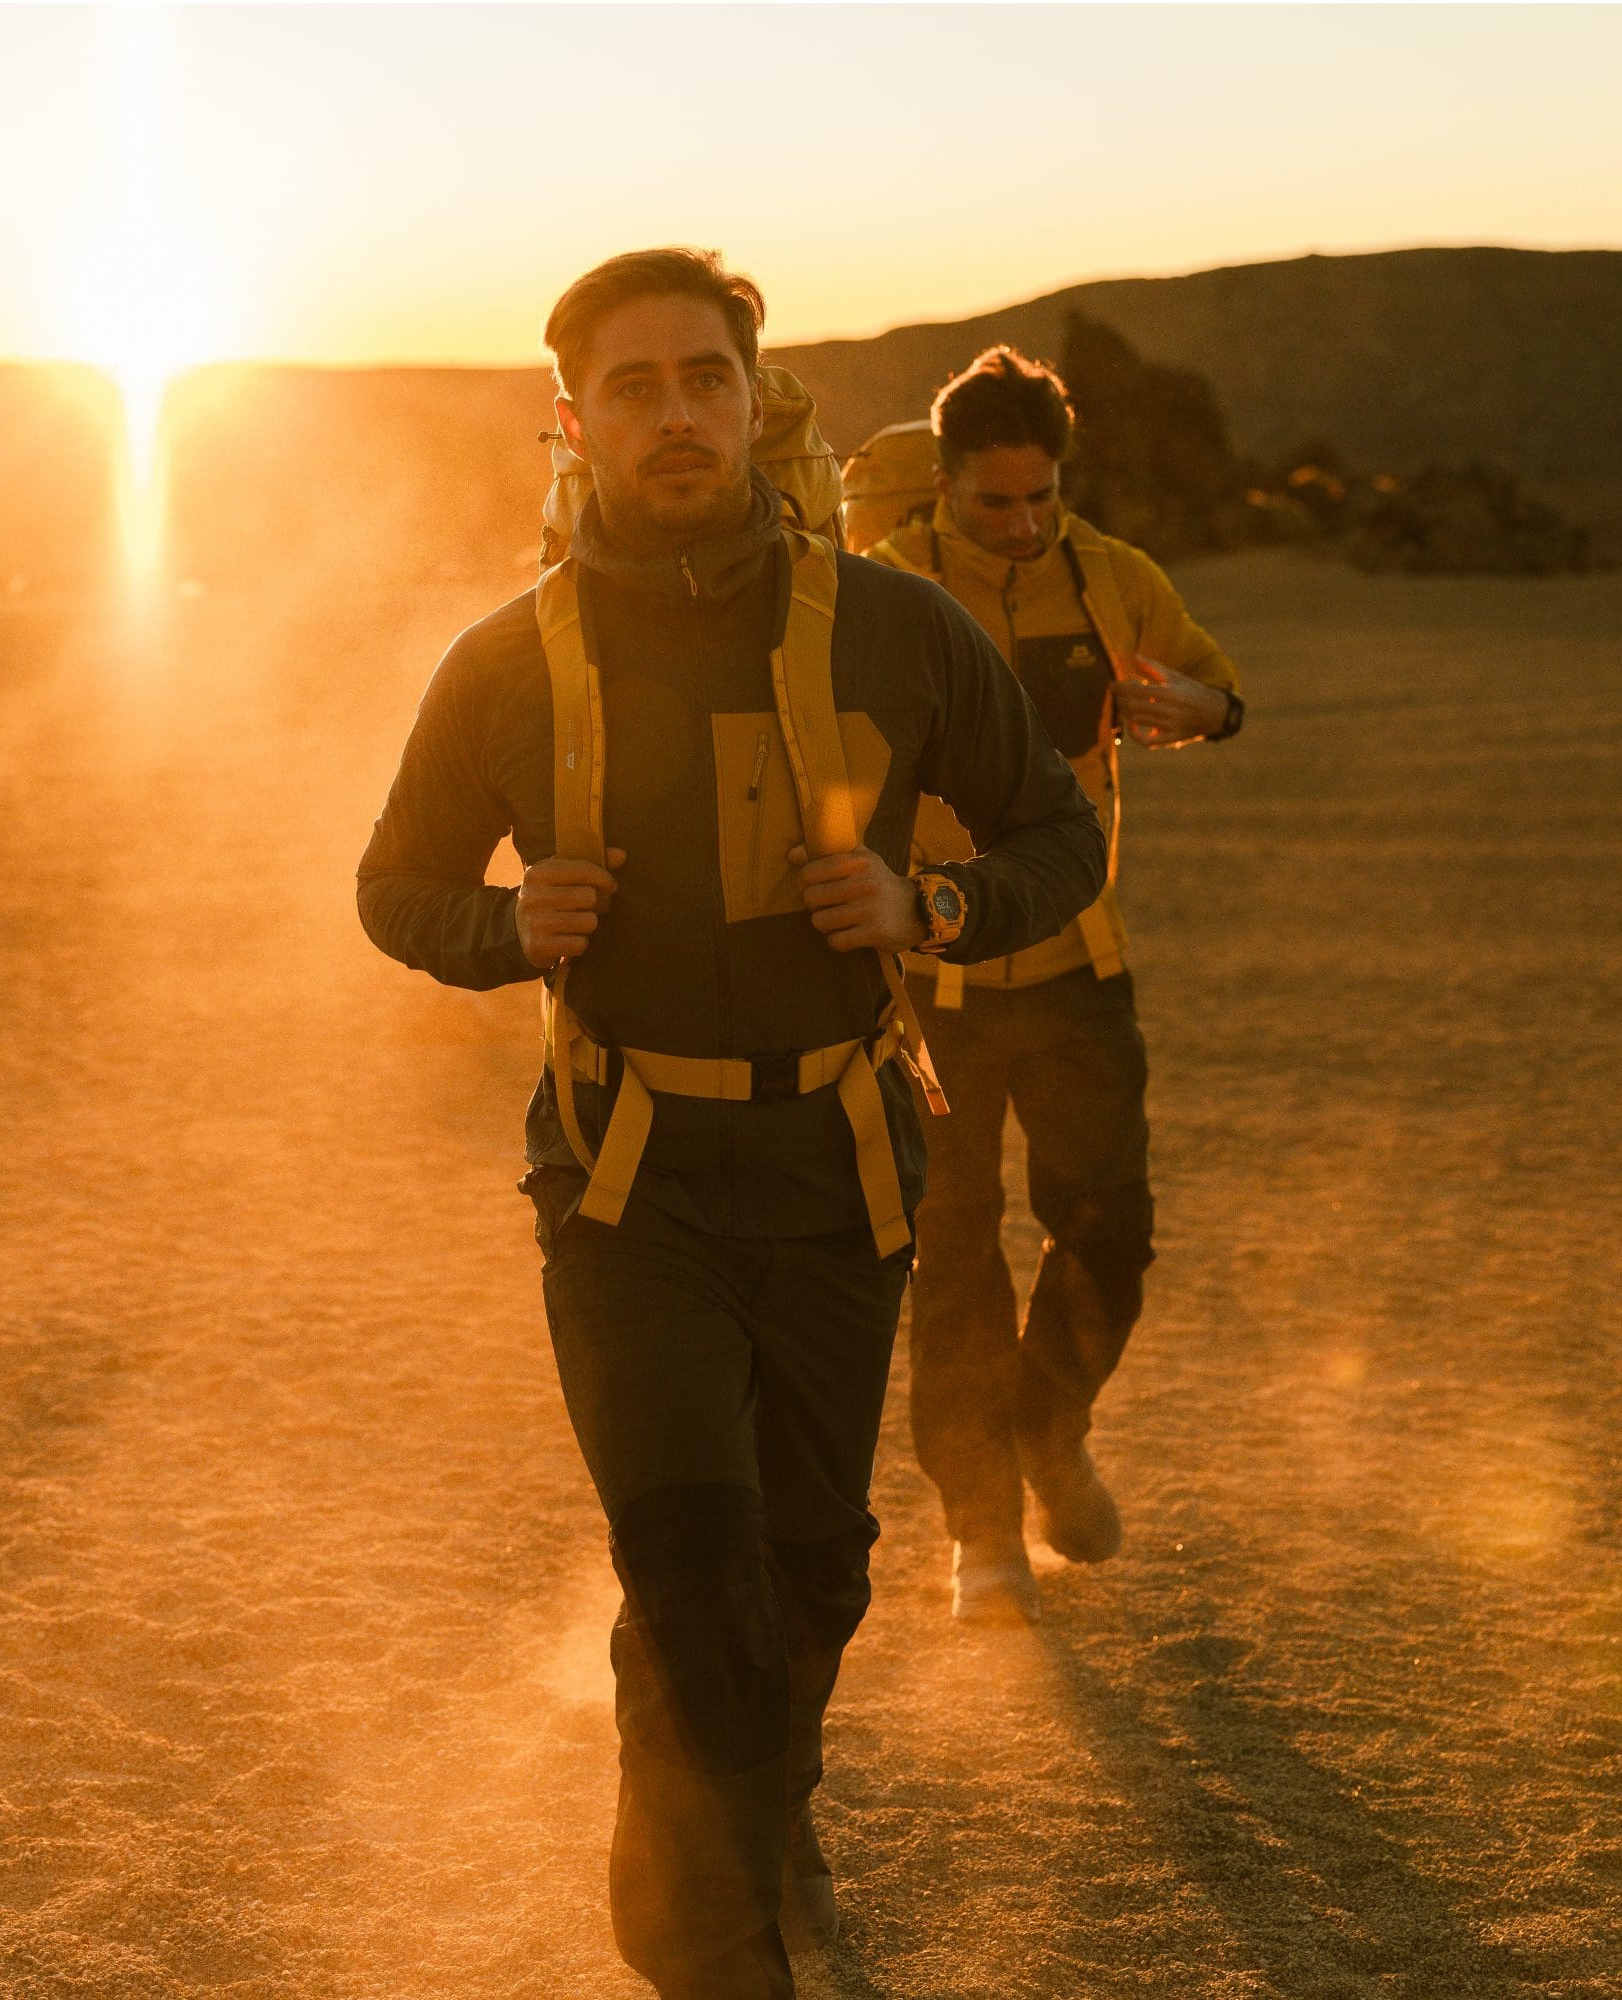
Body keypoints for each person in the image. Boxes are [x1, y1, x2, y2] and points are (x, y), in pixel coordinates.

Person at [356, 254, 1105, 2000]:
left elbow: (1056, 837)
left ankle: (773, 1819)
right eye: (634, 386)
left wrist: (933, 904)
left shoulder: (900, 631)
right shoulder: (504, 666)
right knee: (691, 1577)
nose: (676, 414)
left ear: (757, 404)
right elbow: (394, 886)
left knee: (811, 1572)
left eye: (706, 379)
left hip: (841, 1165)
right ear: (574, 421)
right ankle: (702, 1949)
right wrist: (501, 928)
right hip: (624, 1184)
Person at [862, 346, 1244, 1626]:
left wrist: (1199, 705)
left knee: (1109, 1234)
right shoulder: (885, 587)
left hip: (1083, 965)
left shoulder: (1114, 577)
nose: (1020, 526)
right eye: (993, 504)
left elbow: (1211, 685)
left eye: (1039, 500)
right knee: (952, 1255)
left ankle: (1047, 1431)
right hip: (931, 982)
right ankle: (981, 1533)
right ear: (943, 485)